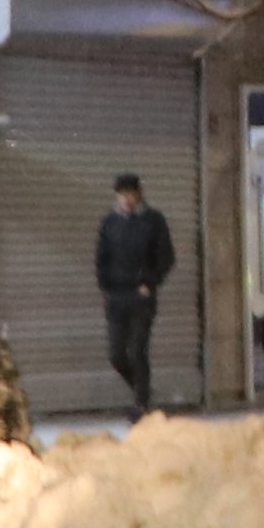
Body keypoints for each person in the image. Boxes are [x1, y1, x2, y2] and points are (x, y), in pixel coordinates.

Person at [93, 170, 175, 418]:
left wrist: (150, 283)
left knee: (138, 350)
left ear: (139, 194)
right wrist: (106, 287)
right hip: (116, 298)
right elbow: (101, 259)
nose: (126, 199)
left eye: (130, 194)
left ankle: (141, 403)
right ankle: (143, 390)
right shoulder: (110, 223)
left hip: (141, 297)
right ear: (116, 196)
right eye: (122, 195)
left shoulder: (153, 221)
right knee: (116, 355)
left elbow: (166, 257)